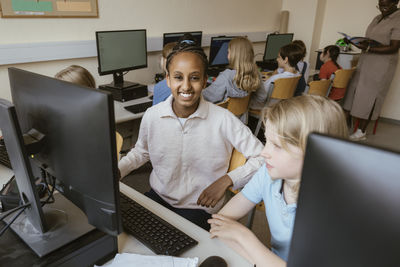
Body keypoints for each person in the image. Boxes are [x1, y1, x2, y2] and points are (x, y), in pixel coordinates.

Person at [118, 37, 264, 231]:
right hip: (158, 197)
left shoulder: (223, 119)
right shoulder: (153, 115)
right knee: (125, 236)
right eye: (178, 77)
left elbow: (262, 156)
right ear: (168, 79)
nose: (186, 86)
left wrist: (228, 179)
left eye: (194, 78)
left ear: (205, 81)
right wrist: (118, 170)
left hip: (200, 207)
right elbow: (141, 152)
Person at [208, 95, 348, 266]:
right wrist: (262, 259)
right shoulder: (268, 173)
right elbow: (219, 223)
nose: (264, 153)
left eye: (278, 146)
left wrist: (245, 238)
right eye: (267, 141)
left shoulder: (333, 209)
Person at [343, 0, 400, 141]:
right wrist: (354, 41)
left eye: (386, 5)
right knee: (353, 93)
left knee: (370, 97)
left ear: (396, 2)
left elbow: (394, 47)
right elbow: (372, 40)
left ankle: (361, 132)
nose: (382, 8)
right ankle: (345, 126)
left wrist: (368, 48)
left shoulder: (398, 19)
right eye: (380, 5)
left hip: (381, 67)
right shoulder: (377, 18)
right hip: (366, 62)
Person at [202, 37, 262, 104]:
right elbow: (262, 97)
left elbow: (206, 97)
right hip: (243, 114)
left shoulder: (226, 76)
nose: (227, 55)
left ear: (233, 55)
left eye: (228, 52)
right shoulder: (256, 73)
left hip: (223, 114)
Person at [249, 44, 303, 110]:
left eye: (278, 57)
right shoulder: (297, 74)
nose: (277, 59)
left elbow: (262, 96)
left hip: (266, 106)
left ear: (286, 60)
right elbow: (281, 71)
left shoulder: (276, 79)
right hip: (280, 106)